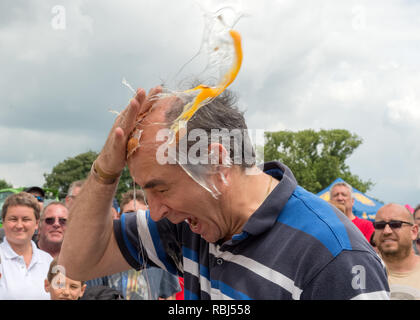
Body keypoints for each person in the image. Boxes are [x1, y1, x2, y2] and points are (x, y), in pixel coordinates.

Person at [59, 86, 389, 299]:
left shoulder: (334, 258)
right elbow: (76, 264)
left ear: (217, 162)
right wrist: (105, 169)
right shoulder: (184, 225)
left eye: (161, 188)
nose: (155, 210)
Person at [0, 192, 53, 299]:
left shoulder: (49, 261)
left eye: (26, 219)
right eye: (13, 219)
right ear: (3, 222)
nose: (19, 225)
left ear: (37, 224)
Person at [373, 203, 420, 299]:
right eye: (380, 225)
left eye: (395, 224)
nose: (386, 231)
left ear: (414, 231)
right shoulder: (360, 272)